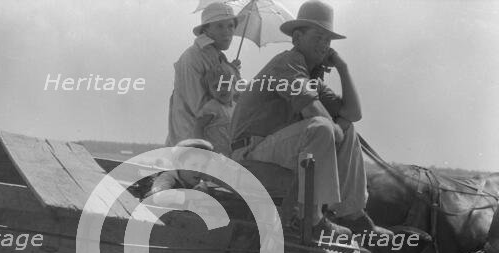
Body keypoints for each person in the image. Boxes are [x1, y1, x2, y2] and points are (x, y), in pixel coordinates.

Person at [229, 0, 388, 240]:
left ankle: (352, 214)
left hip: (274, 150)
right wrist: (337, 128)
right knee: (322, 127)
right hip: (249, 153)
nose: (324, 44)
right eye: (318, 36)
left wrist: (343, 67)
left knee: (347, 128)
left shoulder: (311, 78)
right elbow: (317, 117)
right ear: (297, 38)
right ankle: (311, 217)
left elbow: (353, 114)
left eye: (328, 40)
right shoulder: (287, 64)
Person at [166, 2, 240, 147]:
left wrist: (233, 72)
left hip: (212, 143)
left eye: (231, 26)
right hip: (191, 145)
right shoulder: (193, 57)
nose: (227, 32)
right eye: (220, 26)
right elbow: (200, 108)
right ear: (205, 30)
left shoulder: (217, 57)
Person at [195, 67, 235, 155]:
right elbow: (199, 127)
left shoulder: (235, 107)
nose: (221, 89)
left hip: (231, 151)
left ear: (234, 85)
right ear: (210, 91)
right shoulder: (213, 106)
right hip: (215, 152)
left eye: (225, 84)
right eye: (216, 86)